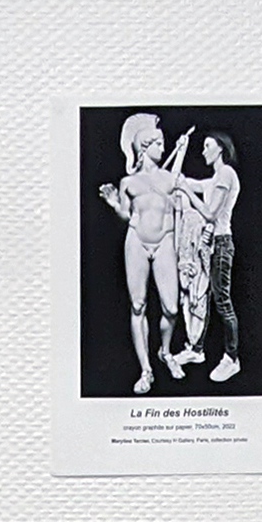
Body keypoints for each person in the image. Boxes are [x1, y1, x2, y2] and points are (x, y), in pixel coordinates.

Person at [96, 113, 198, 392]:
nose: (163, 148)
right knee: (138, 305)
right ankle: (146, 370)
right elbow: (126, 215)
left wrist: (183, 147)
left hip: (164, 241)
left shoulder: (170, 178)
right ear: (145, 146)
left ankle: (165, 351)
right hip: (136, 241)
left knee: (172, 308)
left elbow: (182, 190)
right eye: (158, 143)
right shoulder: (128, 182)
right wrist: (114, 203)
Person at [175, 129, 244, 381]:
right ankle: (196, 350)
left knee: (222, 301)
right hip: (210, 244)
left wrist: (187, 190)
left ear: (220, 148)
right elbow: (180, 181)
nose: (203, 151)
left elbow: (211, 213)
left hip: (221, 244)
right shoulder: (214, 179)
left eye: (207, 146)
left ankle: (232, 358)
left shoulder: (226, 173)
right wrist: (181, 150)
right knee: (202, 296)